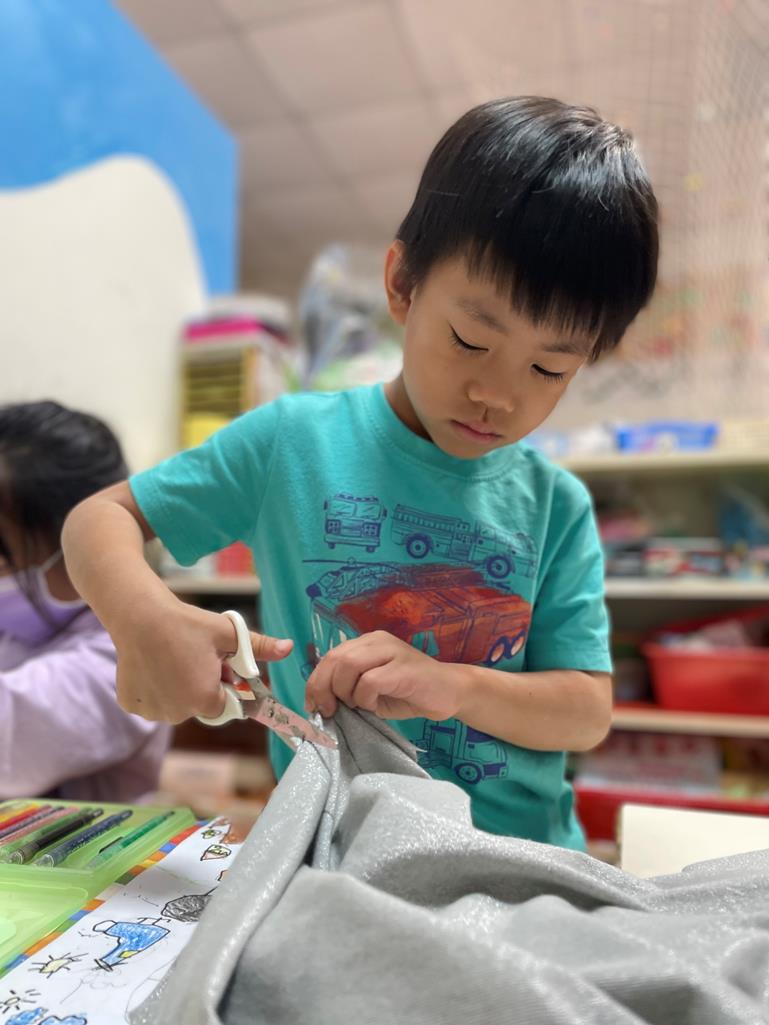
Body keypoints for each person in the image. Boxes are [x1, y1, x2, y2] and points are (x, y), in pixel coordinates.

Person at [63, 97, 659, 848]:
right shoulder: (293, 441)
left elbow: (585, 710)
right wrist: (143, 617)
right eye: (470, 340)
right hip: (339, 853)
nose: (498, 395)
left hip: (518, 856)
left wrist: (450, 685)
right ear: (402, 285)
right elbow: (97, 519)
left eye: (548, 369)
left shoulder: (556, 504)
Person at [0, 401, 170, 802]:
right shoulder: (17, 630)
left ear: (80, 544)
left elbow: (12, 727)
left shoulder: (128, 656)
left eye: (1, 549)